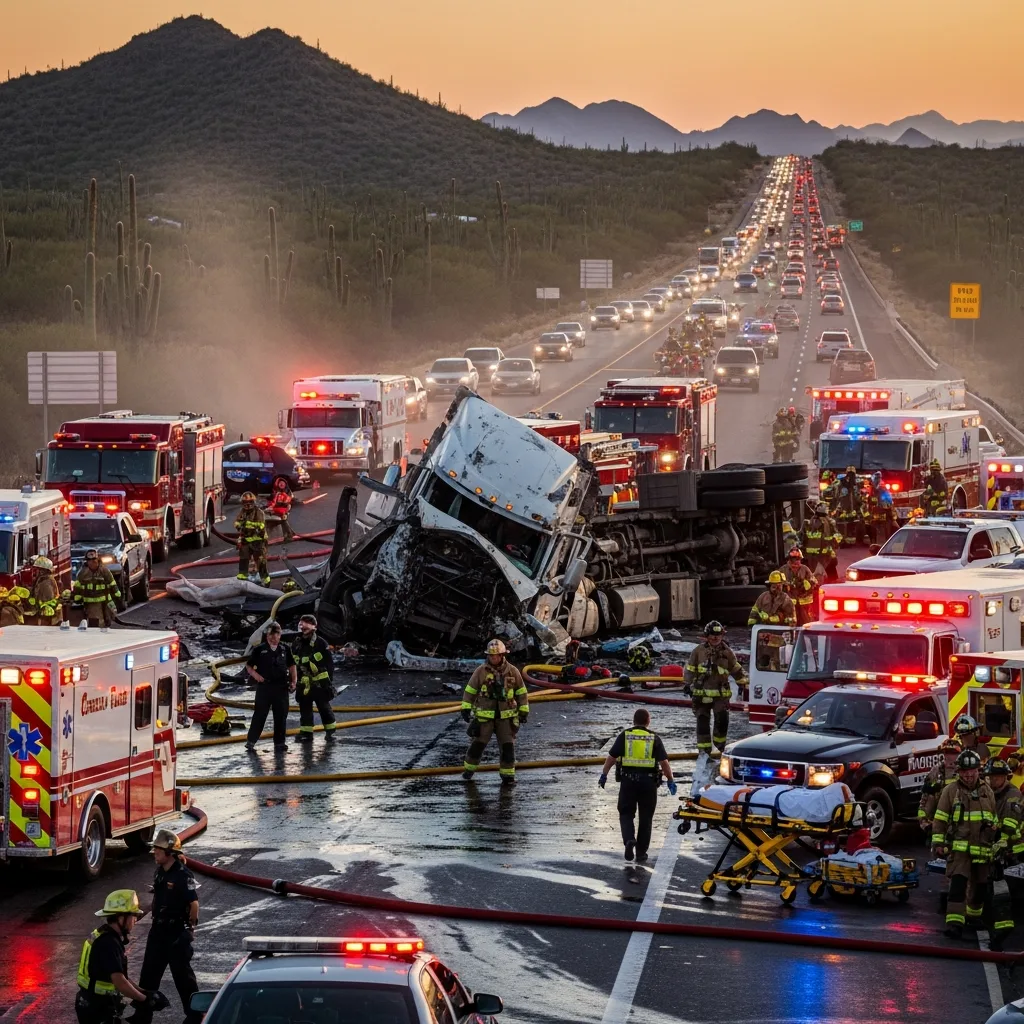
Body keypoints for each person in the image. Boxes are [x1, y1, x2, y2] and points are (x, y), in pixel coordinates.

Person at [132, 830, 200, 1024]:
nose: (154, 852)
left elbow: (194, 904)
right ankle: (142, 1014)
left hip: (176, 933)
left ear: (169, 853)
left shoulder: (182, 874)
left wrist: (190, 930)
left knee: (183, 977)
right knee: (148, 975)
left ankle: (195, 1014)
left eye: (158, 849)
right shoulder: (160, 871)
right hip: (158, 932)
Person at [932, 748, 998, 939]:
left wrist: (995, 840)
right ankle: (954, 924)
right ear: (959, 772)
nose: (969, 775)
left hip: (983, 849)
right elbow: (940, 819)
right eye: (965, 772)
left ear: (979, 771)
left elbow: (993, 819)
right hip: (959, 849)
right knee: (958, 886)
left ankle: (973, 918)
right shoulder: (950, 791)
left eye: (973, 771)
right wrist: (938, 842)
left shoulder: (987, 792)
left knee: (980, 886)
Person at [599, 708, 677, 864]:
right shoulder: (654, 738)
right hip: (648, 784)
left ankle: (629, 840)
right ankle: (641, 853)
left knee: (626, 813)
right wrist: (670, 780)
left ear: (634, 721)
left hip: (628, 782)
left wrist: (604, 774)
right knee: (646, 818)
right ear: (648, 721)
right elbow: (664, 763)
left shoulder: (625, 736)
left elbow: (612, 757)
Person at [76, 890, 165, 1024]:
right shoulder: (109, 943)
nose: (135, 920)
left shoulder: (104, 934)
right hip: (97, 1009)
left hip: (90, 1003)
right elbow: (119, 982)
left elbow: (121, 976)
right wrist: (145, 1000)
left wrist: (144, 992)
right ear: (121, 917)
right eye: (133, 916)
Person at [460, 639, 529, 786]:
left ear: (503, 655)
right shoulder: (480, 671)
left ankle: (508, 775)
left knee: (507, 747)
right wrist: (466, 708)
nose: (493, 658)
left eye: (496, 655)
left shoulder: (512, 671)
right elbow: (470, 690)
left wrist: (523, 711)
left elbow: (521, 692)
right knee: (477, 746)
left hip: (506, 718)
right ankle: (468, 770)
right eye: (491, 656)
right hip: (485, 717)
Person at [683, 621, 746, 758]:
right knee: (702, 723)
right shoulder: (698, 651)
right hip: (700, 694)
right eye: (713, 635)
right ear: (707, 636)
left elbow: (735, 669)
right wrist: (687, 684)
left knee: (722, 721)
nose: (716, 638)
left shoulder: (727, 652)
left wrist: (743, 683)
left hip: (720, 696)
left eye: (718, 635)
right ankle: (704, 754)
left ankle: (720, 751)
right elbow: (690, 669)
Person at [984, 758, 1024, 950]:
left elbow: (1009, 825)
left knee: (1005, 891)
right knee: (1000, 889)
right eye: (991, 777)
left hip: (1014, 850)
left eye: (998, 777)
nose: (994, 780)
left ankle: (1003, 934)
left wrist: (1001, 843)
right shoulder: (991, 794)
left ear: (1005, 777)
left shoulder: (1012, 795)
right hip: (1000, 848)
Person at [244, 621, 297, 751]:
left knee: (281, 715)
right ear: (266, 636)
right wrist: (257, 677)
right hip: (265, 688)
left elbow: (292, 665)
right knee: (260, 715)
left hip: (281, 687)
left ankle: (279, 743)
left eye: (276, 635)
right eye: (270, 635)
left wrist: (294, 681)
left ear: (280, 635)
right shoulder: (259, 650)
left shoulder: (285, 649)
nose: (273, 638)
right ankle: (251, 741)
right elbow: (249, 666)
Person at [292, 613, 337, 743]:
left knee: (323, 707)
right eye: (302, 624)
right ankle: (306, 732)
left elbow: (329, 664)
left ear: (314, 627)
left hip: (319, 683)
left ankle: (330, 731)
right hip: (303, 683)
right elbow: (293, 663)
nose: (303, 627)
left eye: (306, 624)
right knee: (304, 708)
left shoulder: (321, 643)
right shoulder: (297, 643)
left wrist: (328, 683)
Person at [919, 736, 963, 834]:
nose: (950, 756)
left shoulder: (965, 771)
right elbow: (925, 799)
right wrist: (924, 822)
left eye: (954, 753)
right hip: (940, 816)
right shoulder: (936, 771)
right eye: (947, 752)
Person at [75, 550, 120, 628]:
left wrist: (116, 594)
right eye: (89, 560)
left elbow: (112, 583)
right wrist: (76, 596)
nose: (92, 562)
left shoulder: (104, 571)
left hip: (104, 601)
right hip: (90, 602)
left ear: (97, 560)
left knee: (107, 619)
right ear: (87, 561)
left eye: (94, 560)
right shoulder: (83, 573)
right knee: (96, 622)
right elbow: (78, 586)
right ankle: (97, 635)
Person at [235, 492, 270, 586]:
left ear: (253, 502)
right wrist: (239, 524)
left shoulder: (259, 512)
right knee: (243, 559)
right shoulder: (242, 512)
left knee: (260, 561)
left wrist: (248, 524)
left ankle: (265, 580)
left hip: (258, 540)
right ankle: (242, 578)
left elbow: (261, 525)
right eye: (245, 502)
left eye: (249, 502)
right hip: (246, 540)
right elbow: (237, 523)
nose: (247, 504)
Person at [778, 548, 815, 625]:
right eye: (795, 559)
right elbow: (776, 584)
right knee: (789, 624)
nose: (798, 561)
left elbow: (814, 582)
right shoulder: (783, 570)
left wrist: (808, 584)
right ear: (790, 559)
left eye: (799, 559)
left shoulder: (804, 569)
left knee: (806, 625)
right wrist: (785, 586)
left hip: (803, 604)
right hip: (788, 604)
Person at [26, 555, 62, 625]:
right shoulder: (42, 579)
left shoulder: (46, 582)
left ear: (45, 570)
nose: (38, 571)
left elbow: (48, 600)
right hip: (45, 613)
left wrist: (40, 607)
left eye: (40, 569)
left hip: (49, 614)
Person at [834, 467, 864, 546]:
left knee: (841, 525)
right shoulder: (855, 484)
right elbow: (858, 496)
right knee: (855, 523)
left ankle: (843, 541)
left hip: (844, 508)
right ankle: (850, 541)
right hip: (850, 508)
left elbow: (836, 495)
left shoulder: (840, 482)